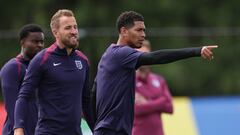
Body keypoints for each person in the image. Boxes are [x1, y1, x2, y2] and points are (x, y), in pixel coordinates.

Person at [93, 11, 218, 135]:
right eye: (139, 30)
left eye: (144, 30)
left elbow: (93, 93)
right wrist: (196, 51)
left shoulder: (109, 55)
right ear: (124, 31)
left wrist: (96, 126)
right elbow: (156, 57)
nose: (143, 34)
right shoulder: (121, 53)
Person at [13, 9, 94, 135]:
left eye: (75, 27)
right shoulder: (42, 59)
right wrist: (18, 128)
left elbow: (86, 101)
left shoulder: (83, 60)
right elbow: (23, 96)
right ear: (55, 32)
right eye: (68, 28)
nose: (74, 32)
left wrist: (97, 130)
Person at [0, 24, 44, 135]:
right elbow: (11, 105)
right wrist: (20, 130)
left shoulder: (41, 67)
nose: (39, 45)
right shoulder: (12, 67)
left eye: (41, 42)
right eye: (34, 41)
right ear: (22, 42)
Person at [132, 40, 173, 135]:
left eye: (146, 55)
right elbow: (135, 109)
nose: (145, 58)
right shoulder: (130, 81)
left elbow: (169, 107)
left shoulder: (159, 80)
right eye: (141, 55)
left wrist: (147, 102)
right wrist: (160, 101)